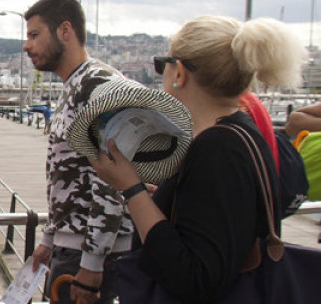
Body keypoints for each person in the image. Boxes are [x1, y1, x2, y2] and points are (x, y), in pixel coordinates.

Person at [89, 15, 303, 302]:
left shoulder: (218, 147)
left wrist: (132, 190)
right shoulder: (240, 132)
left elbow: (196, 278)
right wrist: (166, 197)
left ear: (180, 73)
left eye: (162, 63)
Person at [23, 0, 133, 304]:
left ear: (65, 31)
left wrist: (92, 265)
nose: (26, 45)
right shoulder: (76, 85)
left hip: (91, 255)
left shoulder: (97, 85)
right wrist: (49, 237)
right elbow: (68, 174)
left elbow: (112, 181)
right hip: (73, 246)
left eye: (34, 35)